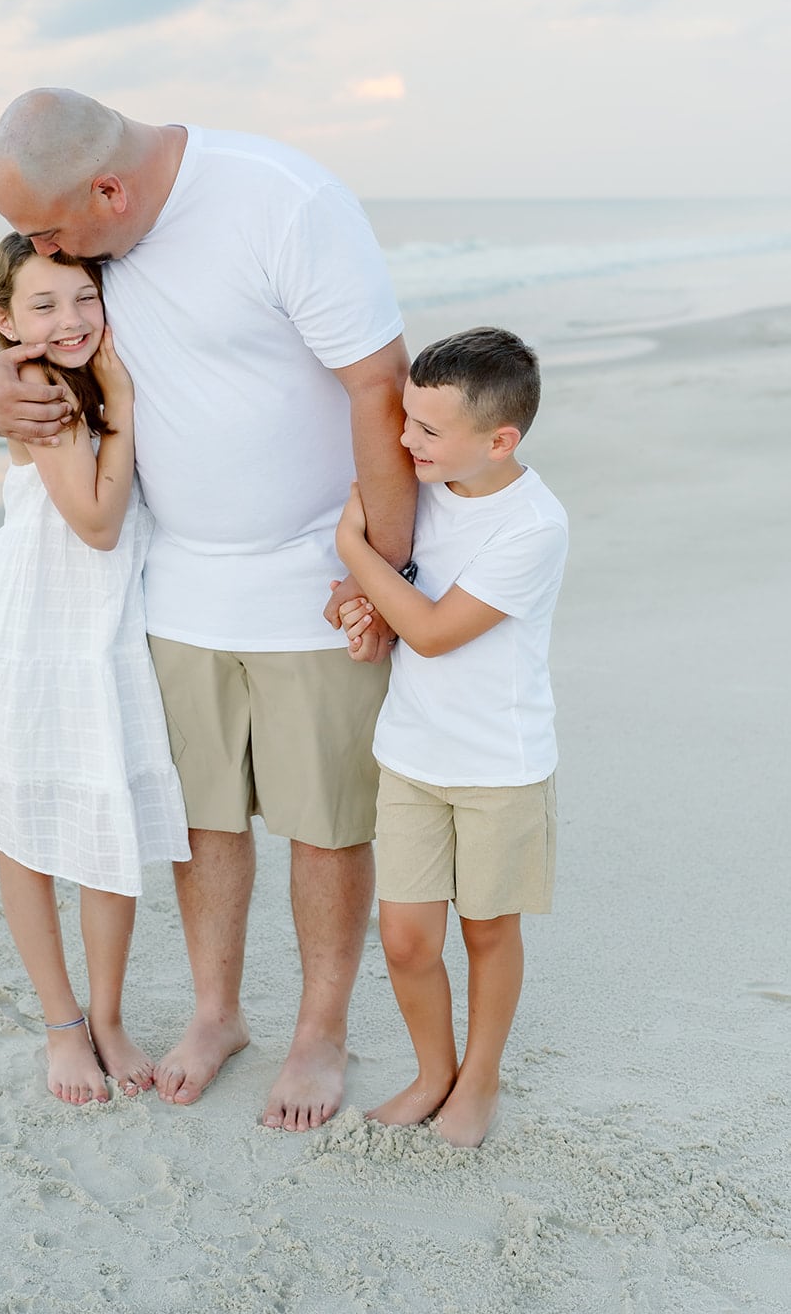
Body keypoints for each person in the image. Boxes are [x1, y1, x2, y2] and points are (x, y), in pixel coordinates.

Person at [0, 88, 416, 1130]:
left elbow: (378, 385)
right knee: (201, 816)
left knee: (324, 822)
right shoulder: (100, 240)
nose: (42, 247)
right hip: (175, 586)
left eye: (50, 228)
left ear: (108, 191)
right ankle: (217, 1014)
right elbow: (31, 329)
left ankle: (318, 1030)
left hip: (313, 575)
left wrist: (381, 578)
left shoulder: (282, 203)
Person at [0, 233, 190, 1107]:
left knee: (106, 822)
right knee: (27, 828)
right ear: (5, 322)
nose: (68, 319)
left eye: (82, 298)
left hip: (99, 630)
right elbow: (97, 522)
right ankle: (65, 1024)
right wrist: (126, 401)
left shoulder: (88, 369)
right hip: (38, 626)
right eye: (42, 305)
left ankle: (108, 1016)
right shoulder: (39, 386)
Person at [334, 327, 568, 1146]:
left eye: (428, 430)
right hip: (410, 754)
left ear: (498, 441)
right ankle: (432, 1070)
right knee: (403, 940)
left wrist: (349, 548)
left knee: (487, 931)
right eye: (405, 419)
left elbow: (432, 631)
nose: (403, 440)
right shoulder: (415, 487)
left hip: (497, 765)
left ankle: (480, 1078)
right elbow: (380, 601)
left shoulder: (532, 526)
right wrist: (356, 605)